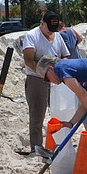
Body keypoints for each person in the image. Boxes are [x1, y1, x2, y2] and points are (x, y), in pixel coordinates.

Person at [22, 12, 69, 155]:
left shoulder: (57, 36)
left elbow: (65, 55)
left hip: (56, 79)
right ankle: (36, 147)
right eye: (48, 28)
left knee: (61, 111)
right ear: (41, 23)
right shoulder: (31, 36)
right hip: (37, 79)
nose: (51, 32)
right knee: (37, 114)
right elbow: (29, 60)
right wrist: (45, 72)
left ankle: (59, 143)